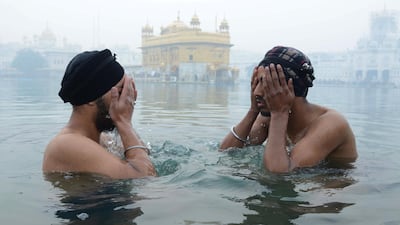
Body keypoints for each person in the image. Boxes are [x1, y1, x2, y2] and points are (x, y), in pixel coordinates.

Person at [220, 46, 357, 173]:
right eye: (256, 83)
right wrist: (253, 111)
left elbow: (278, 174)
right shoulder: (270, 115)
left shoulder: (332, 123)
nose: (256, 92)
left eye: (266, 84)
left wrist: (279, 114)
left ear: (288, 88)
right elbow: (227, 152)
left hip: (334, 185)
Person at [42, 49, 156, 179]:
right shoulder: (67, 144)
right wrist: (124, 122)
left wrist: (124, 125)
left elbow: (145, 157)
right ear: (91, 98)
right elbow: (145, 178)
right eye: (120, 91)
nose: (126, 99)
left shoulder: (103, 140)